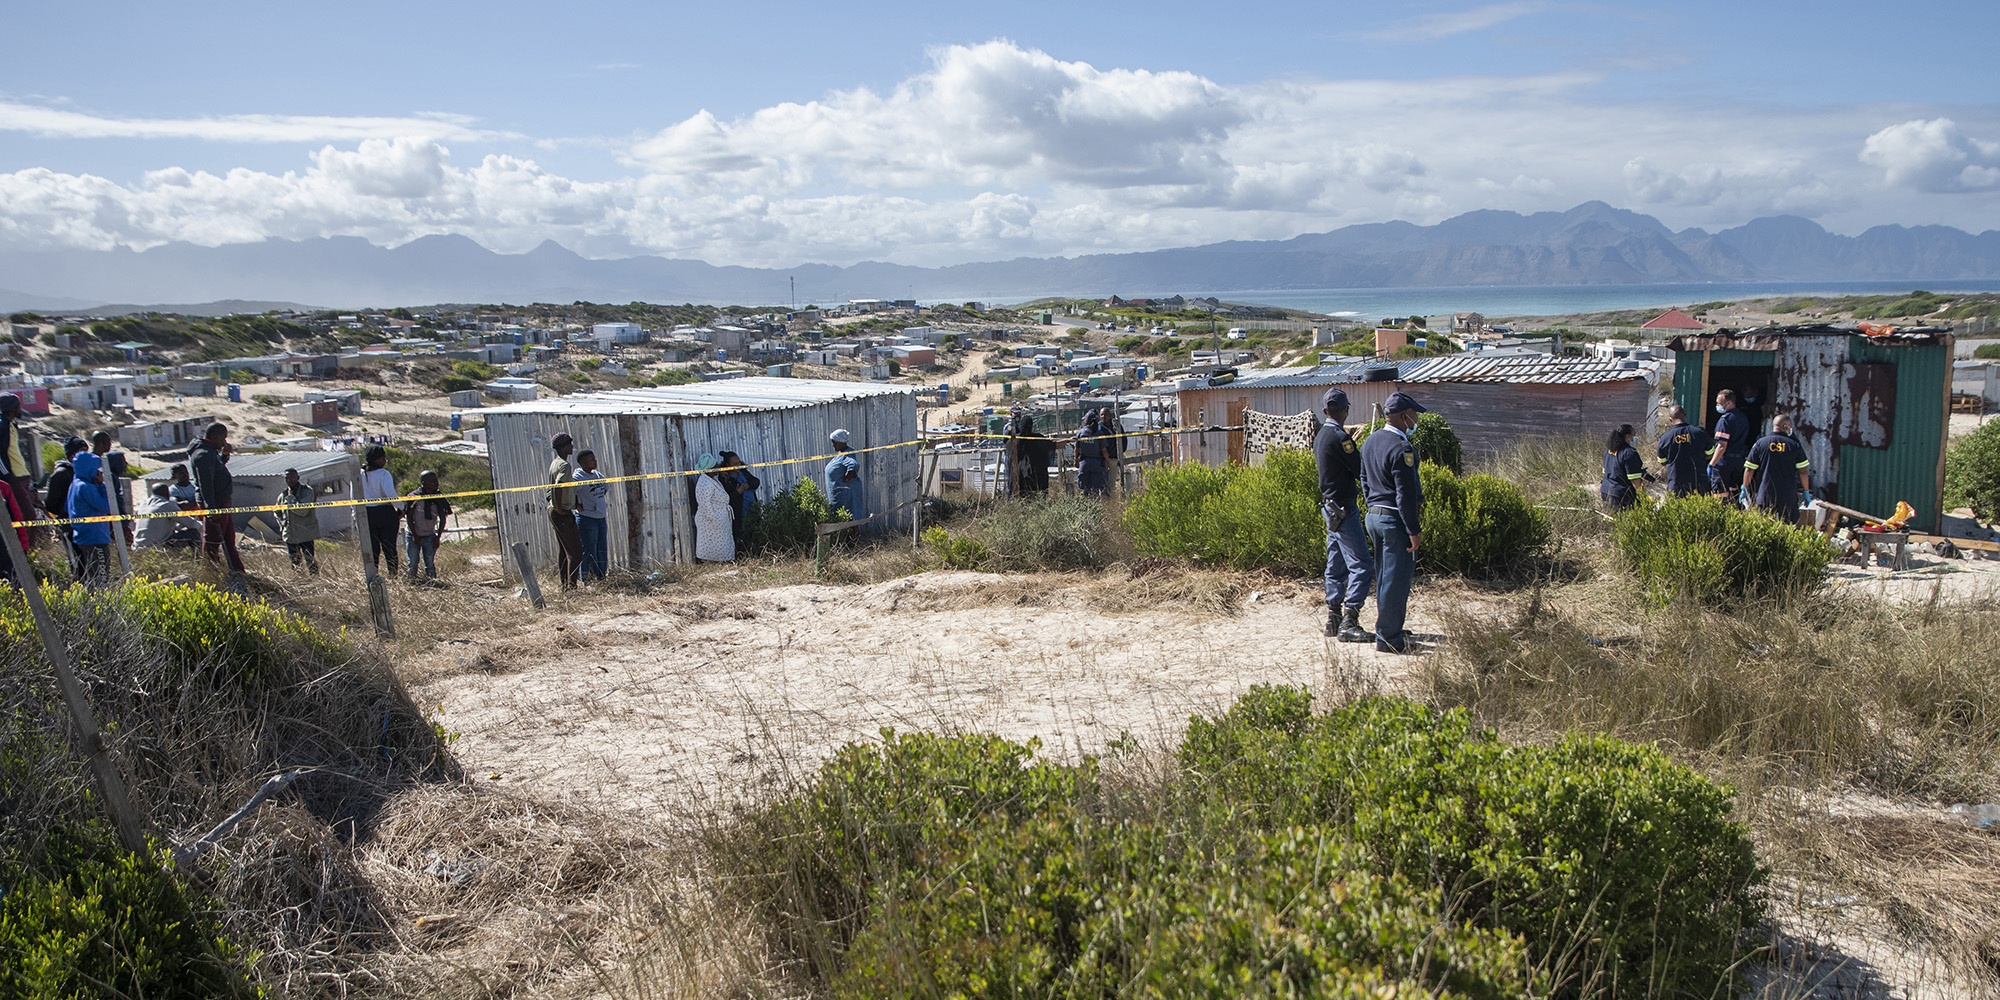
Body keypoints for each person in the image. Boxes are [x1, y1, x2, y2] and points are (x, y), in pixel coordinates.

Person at [1360, 391, 1427, 655]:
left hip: (1374, 515)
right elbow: (1405, 494)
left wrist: (1372, 506)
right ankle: (1389, 638)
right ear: (1403, 416)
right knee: (1396, 580)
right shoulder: (1402, 448)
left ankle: (1390, 628)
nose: (1415, 420)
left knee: (1385, 577)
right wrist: (1414, 529)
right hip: (1394, 520)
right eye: (1414, 415)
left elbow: (1364, 480)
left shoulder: (1370, 441)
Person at [1313, 387, 1375, 642]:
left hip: (1330, 507)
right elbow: (1359, 467)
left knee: (1336, 564)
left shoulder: (1320, 435)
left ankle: (1334, 617)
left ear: (1326, 410)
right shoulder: (1341, 438)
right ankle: (1350, 619)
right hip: (1343, 507)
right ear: (1346, 410)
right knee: (1361, 564)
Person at [188, 422, 245, 574]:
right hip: (215, 503)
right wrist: (211, 509)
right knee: (213, 539)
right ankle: (211, 572)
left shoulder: (210, 451)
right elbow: (206, 483)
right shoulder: (203, 454)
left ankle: (237, 570)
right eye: (223, 439)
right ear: (215, 437)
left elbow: (217, 468)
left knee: (228, 538)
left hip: (221, 502)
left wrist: (224, 455)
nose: (225, 442)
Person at [1743, 414, 1812, 521]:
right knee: (1786, 528)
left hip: (1765, 495)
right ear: (1785, 426)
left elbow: (1749, 469)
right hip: (1787, 497)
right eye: (1790, 426)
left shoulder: (1760, 444)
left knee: (1764, 527)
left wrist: (1745, 487)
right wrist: (1806, 491)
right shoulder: (1794, 445)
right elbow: (1802, 471)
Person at [65, 451, 112, 588]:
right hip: (95, 538)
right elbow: (106, 506)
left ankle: (91, 601)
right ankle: (98, 603)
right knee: (100, 577)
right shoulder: (86, 487)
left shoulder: (75, 484)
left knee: (90, 575)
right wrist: (102, 486)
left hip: (84, 536)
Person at [42, 437, 88, 576]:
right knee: (77, 565)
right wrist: (66, 513)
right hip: (69, 525)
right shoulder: (61, 474)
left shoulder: (83, 472)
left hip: (85, 525)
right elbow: (50, 504)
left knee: (89, 563)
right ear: (72, 454)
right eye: (81, 451)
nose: (85, 454)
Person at [546, 433, 582, 589]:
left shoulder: (555, 463)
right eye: (569, 444)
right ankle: (571, 587)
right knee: (576, 552)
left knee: (564, 551)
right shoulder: (565, 466)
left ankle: (564, 585)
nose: (572, 447)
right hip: (561, 512)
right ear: (562, 447)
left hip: (554, 510)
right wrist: (560, 509)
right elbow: (558, 486)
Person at [0, 394, 35, 550]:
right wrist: (8, 476)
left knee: (29, 516)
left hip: (21, 476)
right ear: (12, 409)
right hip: (13, 478)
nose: (21, 409)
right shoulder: (2, 426)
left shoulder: (11, 425)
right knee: (27, 517)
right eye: (19, 406)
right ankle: (26, 555)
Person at [360, 444, 402, 576]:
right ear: (376, 459)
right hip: (385, 514)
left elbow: (353, 495)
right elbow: (390, 493)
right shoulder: (384, 474)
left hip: (367, 514)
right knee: (390, 548)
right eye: (383, 458)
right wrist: (401, 507)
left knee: (373, 549)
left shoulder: (359, 474)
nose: (385, 460)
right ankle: (393, 575)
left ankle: (373, 576)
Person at [1655, 405, 1713, 497]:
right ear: (1685, 416)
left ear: (1670, 419)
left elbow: (1662, 461)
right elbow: (1710, 454)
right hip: (1699, 483)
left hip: (1676, 485)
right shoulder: (1699, 433)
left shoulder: (1665, 438)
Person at [404, 469, 451, 581]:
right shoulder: (414, 497)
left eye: (436, 480)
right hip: (413, 535)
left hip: (429, 535)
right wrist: (415, 535)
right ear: (424, 482)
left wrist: (437, 537)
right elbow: (409, 517)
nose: (436, 482)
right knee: (413, 563)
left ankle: (432, 584)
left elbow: (443, 519)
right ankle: (412, 584)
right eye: (432, 480)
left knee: (429, 563)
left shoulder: (439, 499)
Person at [90, 430, 133, 547]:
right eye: (108, 442)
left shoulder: (97, 462)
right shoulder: (97, 467)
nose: (110, 445)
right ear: (102, 443)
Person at [572, 449, 609, 580]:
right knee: (589, 549)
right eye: (591, 459)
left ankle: (600, 576)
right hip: (586, 518)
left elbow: (604, 488)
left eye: (594, 458)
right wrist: (576, 504)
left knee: (601, 548)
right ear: (583, 462)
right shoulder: (577, 477)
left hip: (600, 516)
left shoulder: (598, 475)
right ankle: (587, 579)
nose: (595, 461)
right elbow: (569, 492)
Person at [1707, 389, 1753, 494]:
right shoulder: (1743, 417)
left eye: (1719, 403)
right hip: (1739, 461)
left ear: (1728, 403)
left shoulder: (1725, 420)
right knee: (1734, 491)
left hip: (1724, 462)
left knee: (1720, 493)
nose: (1718, 406)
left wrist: (1712, 464)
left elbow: (1722, 446)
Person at [276, 468, 321, 574]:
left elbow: (302, 511)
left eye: (292, 477)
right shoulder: (283, 495)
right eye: (287, 478)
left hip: (306, 533)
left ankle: (316, 582)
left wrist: (291, 498)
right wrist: (282, 523)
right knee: (295, 563)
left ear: (298, 478)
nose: (289, 480)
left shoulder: (307, 491)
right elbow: (276, 511)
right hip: (290, 534)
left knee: (310, 561)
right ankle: (300, 582)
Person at [692, 453, 735, 563]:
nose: (718, 468)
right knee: (712, 547)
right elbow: (704, 504)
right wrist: (714, 520)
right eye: (715, 466)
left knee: (723, 544)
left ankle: (723, 562)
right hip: (711, 520)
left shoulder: (713, 479)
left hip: (719, 518)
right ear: (709, 468)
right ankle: (712, 564)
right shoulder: (704, 482)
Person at [1598, 424, 1651, 511]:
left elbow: (1606, 471)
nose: (1634, 438)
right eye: (1633, 435)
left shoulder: (1608, 451)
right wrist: (1643, 497)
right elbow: (1635, 479)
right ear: (1627, 436)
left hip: (1605, 491)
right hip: (1620, 495)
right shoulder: (1629, 453)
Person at [135, 482, 199, 551]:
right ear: (167, 494)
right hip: (158, 547)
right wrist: (202, 527)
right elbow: (191, 523)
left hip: (138, 548)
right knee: (193, 533)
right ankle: (199, 559)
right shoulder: (166, 504)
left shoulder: (143, 505)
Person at [716, 451, 760, 548]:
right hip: (739, 512)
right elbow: (726, 498)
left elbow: (756, 481)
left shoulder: (743, 472)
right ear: (728, 465)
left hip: (751, 508)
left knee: (755, 532)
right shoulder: (725, 478)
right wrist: (738, 492)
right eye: (735, 464)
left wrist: (748, 485)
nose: (738, 465)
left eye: (739, 463)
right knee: (741, 535)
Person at [823, 429, 866, 523]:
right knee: (843, 521)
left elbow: (853, 465)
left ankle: (855, 538)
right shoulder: (840, 454)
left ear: (841, 442)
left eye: (834, 442)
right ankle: (849, 538)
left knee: (851, 520)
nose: (833, 445)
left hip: (846, 495)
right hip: (840, 495)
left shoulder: (848, 454)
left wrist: (848, 477)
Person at [1011, 413, 1054, 495]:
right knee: (1039, 494)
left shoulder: (1017, 440)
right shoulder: (1038, 438)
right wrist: (1067, 441)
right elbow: (1053, 445)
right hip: (1038, 473)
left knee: (1024, 495)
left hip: (1022, 472)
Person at [1075, 410, 1115, 497]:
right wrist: (1108, 462)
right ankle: (1095, 507)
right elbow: (1104, 451)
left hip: (1084, 463)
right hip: (1097, 464)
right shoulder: (1099, 434)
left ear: (1086, 421)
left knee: (1083, 490)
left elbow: (1077, 449)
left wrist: (1076, 460)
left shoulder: (1081, 433)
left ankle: (1085, 507)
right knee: (1095, 490)